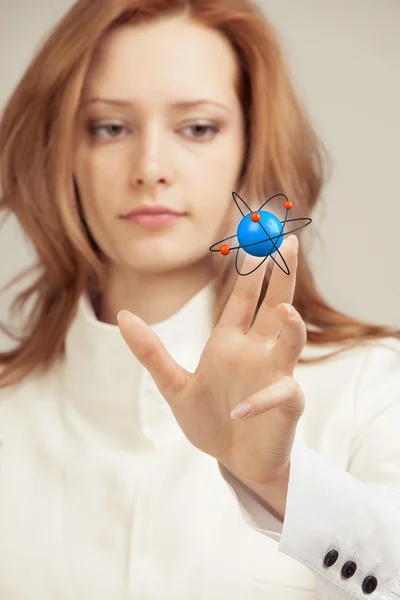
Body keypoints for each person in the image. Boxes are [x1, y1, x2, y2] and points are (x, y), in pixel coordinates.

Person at [0, 0, 399, 598]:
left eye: (197, 128)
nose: (151, 168)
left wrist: (279, 484)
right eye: (110, 126)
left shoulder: (371, 384)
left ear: (250, 145)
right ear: (60, 151)